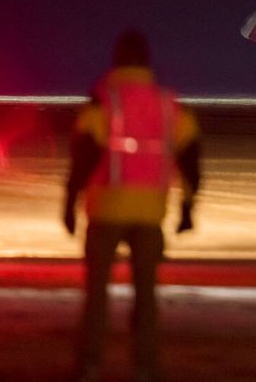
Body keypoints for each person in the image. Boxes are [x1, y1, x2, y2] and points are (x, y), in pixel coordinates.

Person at [63, 29, 201, 382]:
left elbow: (84, 155)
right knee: (147, 297)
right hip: (150, 214)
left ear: (117, 59)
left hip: (106, 209)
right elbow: (191, 158)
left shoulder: (104, 101)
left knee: (96, 295)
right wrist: (187, 207)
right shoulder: (168, 104)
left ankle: (90, 365)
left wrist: (69, 200)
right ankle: (146, 366)